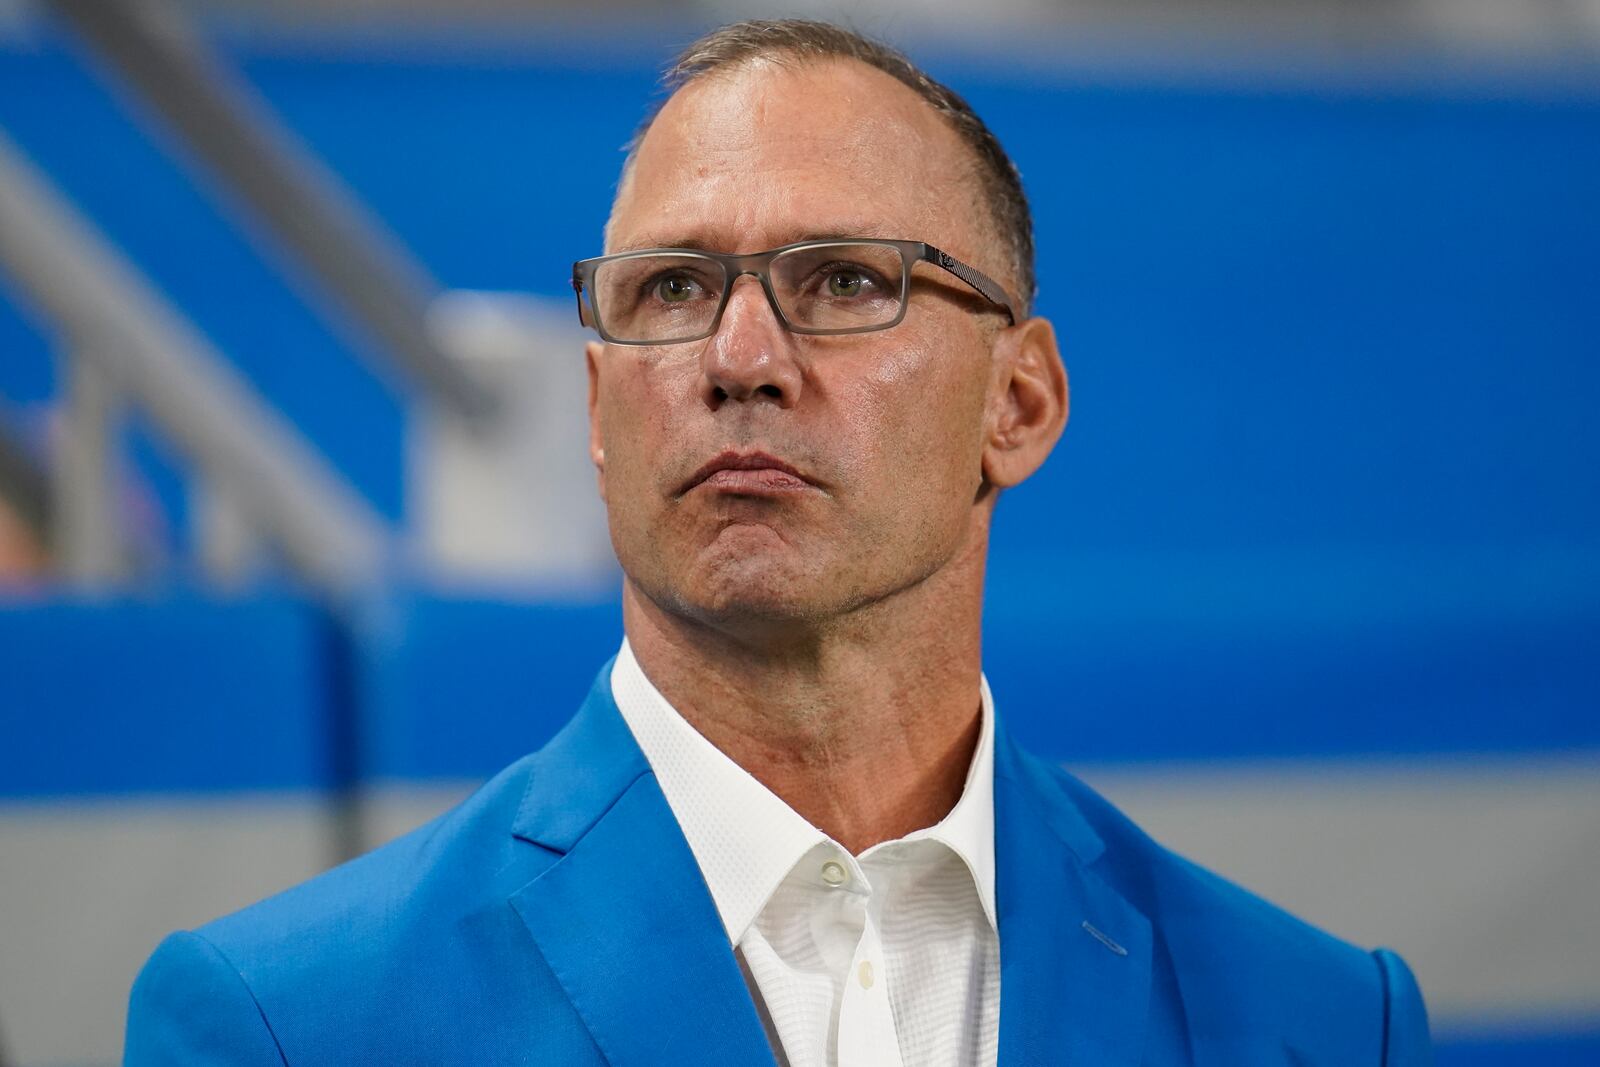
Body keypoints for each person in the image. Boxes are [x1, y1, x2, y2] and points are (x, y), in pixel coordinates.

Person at [125, 19, 1431, 1066]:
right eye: (674, 290)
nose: (740, 359)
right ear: (599, 413)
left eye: (847, 282)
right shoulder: (288, 1028)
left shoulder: (1318, 1022)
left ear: (1017, 404)